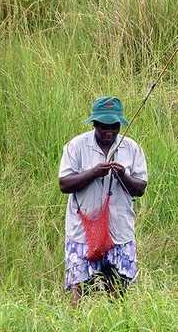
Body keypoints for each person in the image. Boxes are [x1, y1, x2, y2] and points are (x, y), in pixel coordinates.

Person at [58, 96, 148, 306]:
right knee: (80, 292)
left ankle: (115, 330)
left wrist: (123, 175)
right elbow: (64, 184)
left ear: (120, 124)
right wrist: (93, 173)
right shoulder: (76, 146)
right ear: (94, 123)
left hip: (119, 231)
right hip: (83, 233)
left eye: (114, 126)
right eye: (103, 126)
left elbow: (140, 188)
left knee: (118, 292)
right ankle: (77, 330)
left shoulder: (132, 148)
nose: (109, 131)